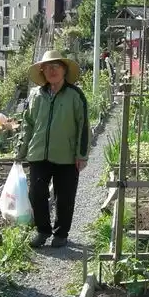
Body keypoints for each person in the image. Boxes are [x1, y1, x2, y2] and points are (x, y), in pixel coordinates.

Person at [16, 51, 90, 248]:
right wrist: (21, 150)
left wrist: (81, 155)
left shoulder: (75, 96)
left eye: (56, 66)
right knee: (36, 193)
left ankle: (61, 233)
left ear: (64, 70)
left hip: (66, 156)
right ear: (43, 72)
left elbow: (83, 126)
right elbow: (27, 124)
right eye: (47, 68)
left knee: (64, 196)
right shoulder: (36, 96)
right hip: (39, 154)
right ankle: (42, 230)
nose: (52, 70)